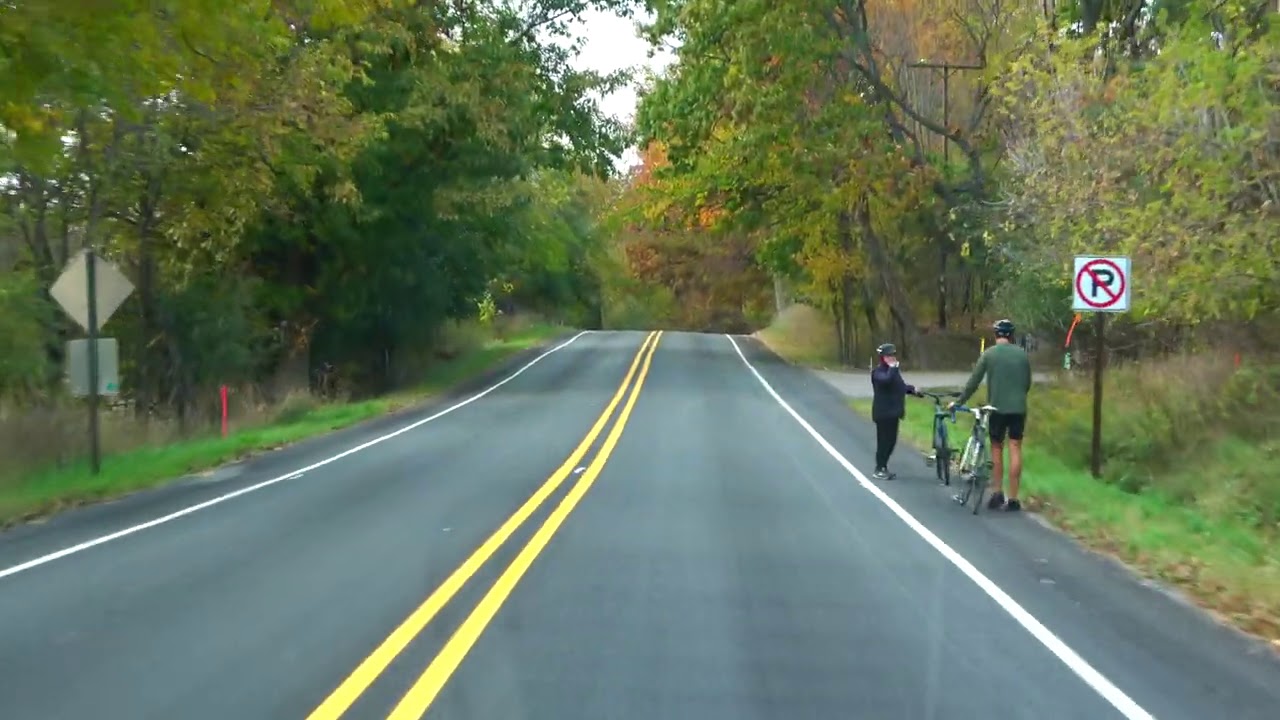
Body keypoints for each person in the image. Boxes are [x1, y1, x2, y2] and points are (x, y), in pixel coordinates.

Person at [950, 318, 1033, 511]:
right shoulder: (1022, 355)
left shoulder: (989, 354)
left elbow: (974, 382)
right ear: (1012, 336)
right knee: (1015, 447)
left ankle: (997, 493)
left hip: (997, 408)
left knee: (996, 447)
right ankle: (1013, 498)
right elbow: (1027, 383)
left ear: (995, 335)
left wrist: (959, 401)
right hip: (1018, 409)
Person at [870, 342, 922, 480]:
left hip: (894, 413)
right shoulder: (878, 372)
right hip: (883, 413)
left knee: (891, 442)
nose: (892, 358)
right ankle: (879, 468)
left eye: (892, 355)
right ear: (882, 358)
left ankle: (884, 466)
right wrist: (893, 369)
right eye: (888, 356)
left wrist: (912, 390)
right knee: (884, 442)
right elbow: (886, 381)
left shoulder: (893, 372)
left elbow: (899, 386)